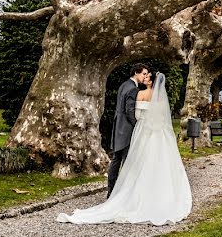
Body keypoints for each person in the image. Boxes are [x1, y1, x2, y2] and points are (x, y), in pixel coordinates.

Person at [57, 71, 192, 226]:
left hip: (143, 131)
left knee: (139, 164)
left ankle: (134, 196)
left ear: (151, 81)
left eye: (148, 77)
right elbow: (162, 118)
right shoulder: (161, 99)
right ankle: (158, 196)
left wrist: (143, 123)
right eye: (145, 75)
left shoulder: (140, 94)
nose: (145, 77)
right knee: (157, 164)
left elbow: (135, 114)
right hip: (158, 134)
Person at [105, 64, 149, 198]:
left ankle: (111, 191)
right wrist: (137, 126)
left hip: (118, 127)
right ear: (136, 72)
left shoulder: (123, 85)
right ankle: (124, 194)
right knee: (127, 161)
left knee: (116, 160)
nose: (145, 77)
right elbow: (129, 111)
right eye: (143, 74)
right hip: (127, 130)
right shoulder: (132, 89)